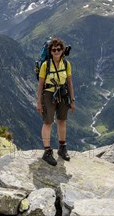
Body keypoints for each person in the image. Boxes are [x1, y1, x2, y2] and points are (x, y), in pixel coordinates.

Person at [36, 37, 76, 166]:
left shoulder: (66, 64)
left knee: (62, 120)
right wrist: (38, 102)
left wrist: (72, 99)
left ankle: (62, 148)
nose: (56, 52)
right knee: (48, 122)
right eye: (54, 50)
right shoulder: (45, 65)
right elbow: (40, 85)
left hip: (63, 94)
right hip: (48, 94)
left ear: (63, 50)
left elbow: (69, 82)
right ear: (50, 51)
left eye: (59, 49)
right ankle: (47, 151)